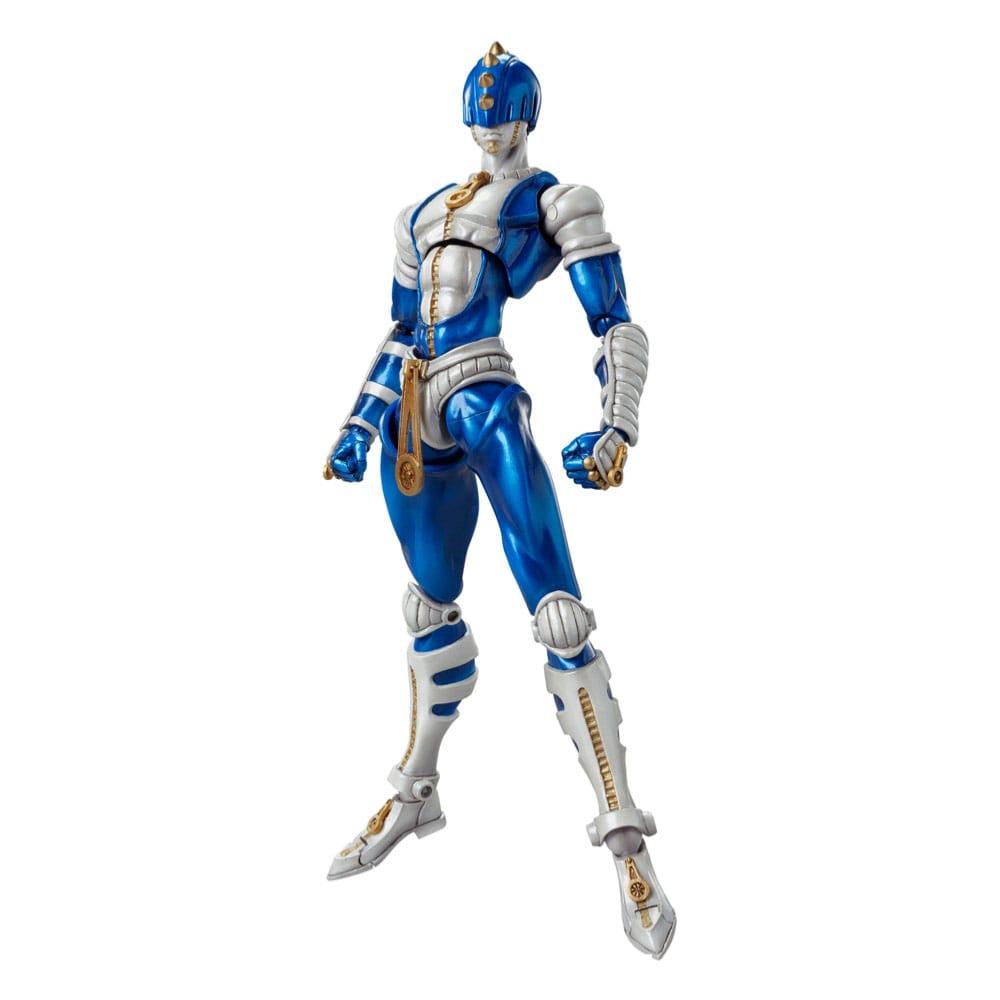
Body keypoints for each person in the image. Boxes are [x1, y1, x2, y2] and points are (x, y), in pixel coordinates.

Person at [323, 42, 675, 959]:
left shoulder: (557, 202)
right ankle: (418, 789)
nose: (491, 126)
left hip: (484, 392)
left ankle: (626, 845)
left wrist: (617, 427)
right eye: (479, 113)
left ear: (527, 115)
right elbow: (403, 329)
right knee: (427, 605)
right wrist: (358, 422)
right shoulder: (422, 212)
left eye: (504, 112)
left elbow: (616, 319)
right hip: (414, 413)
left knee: (558, 613)